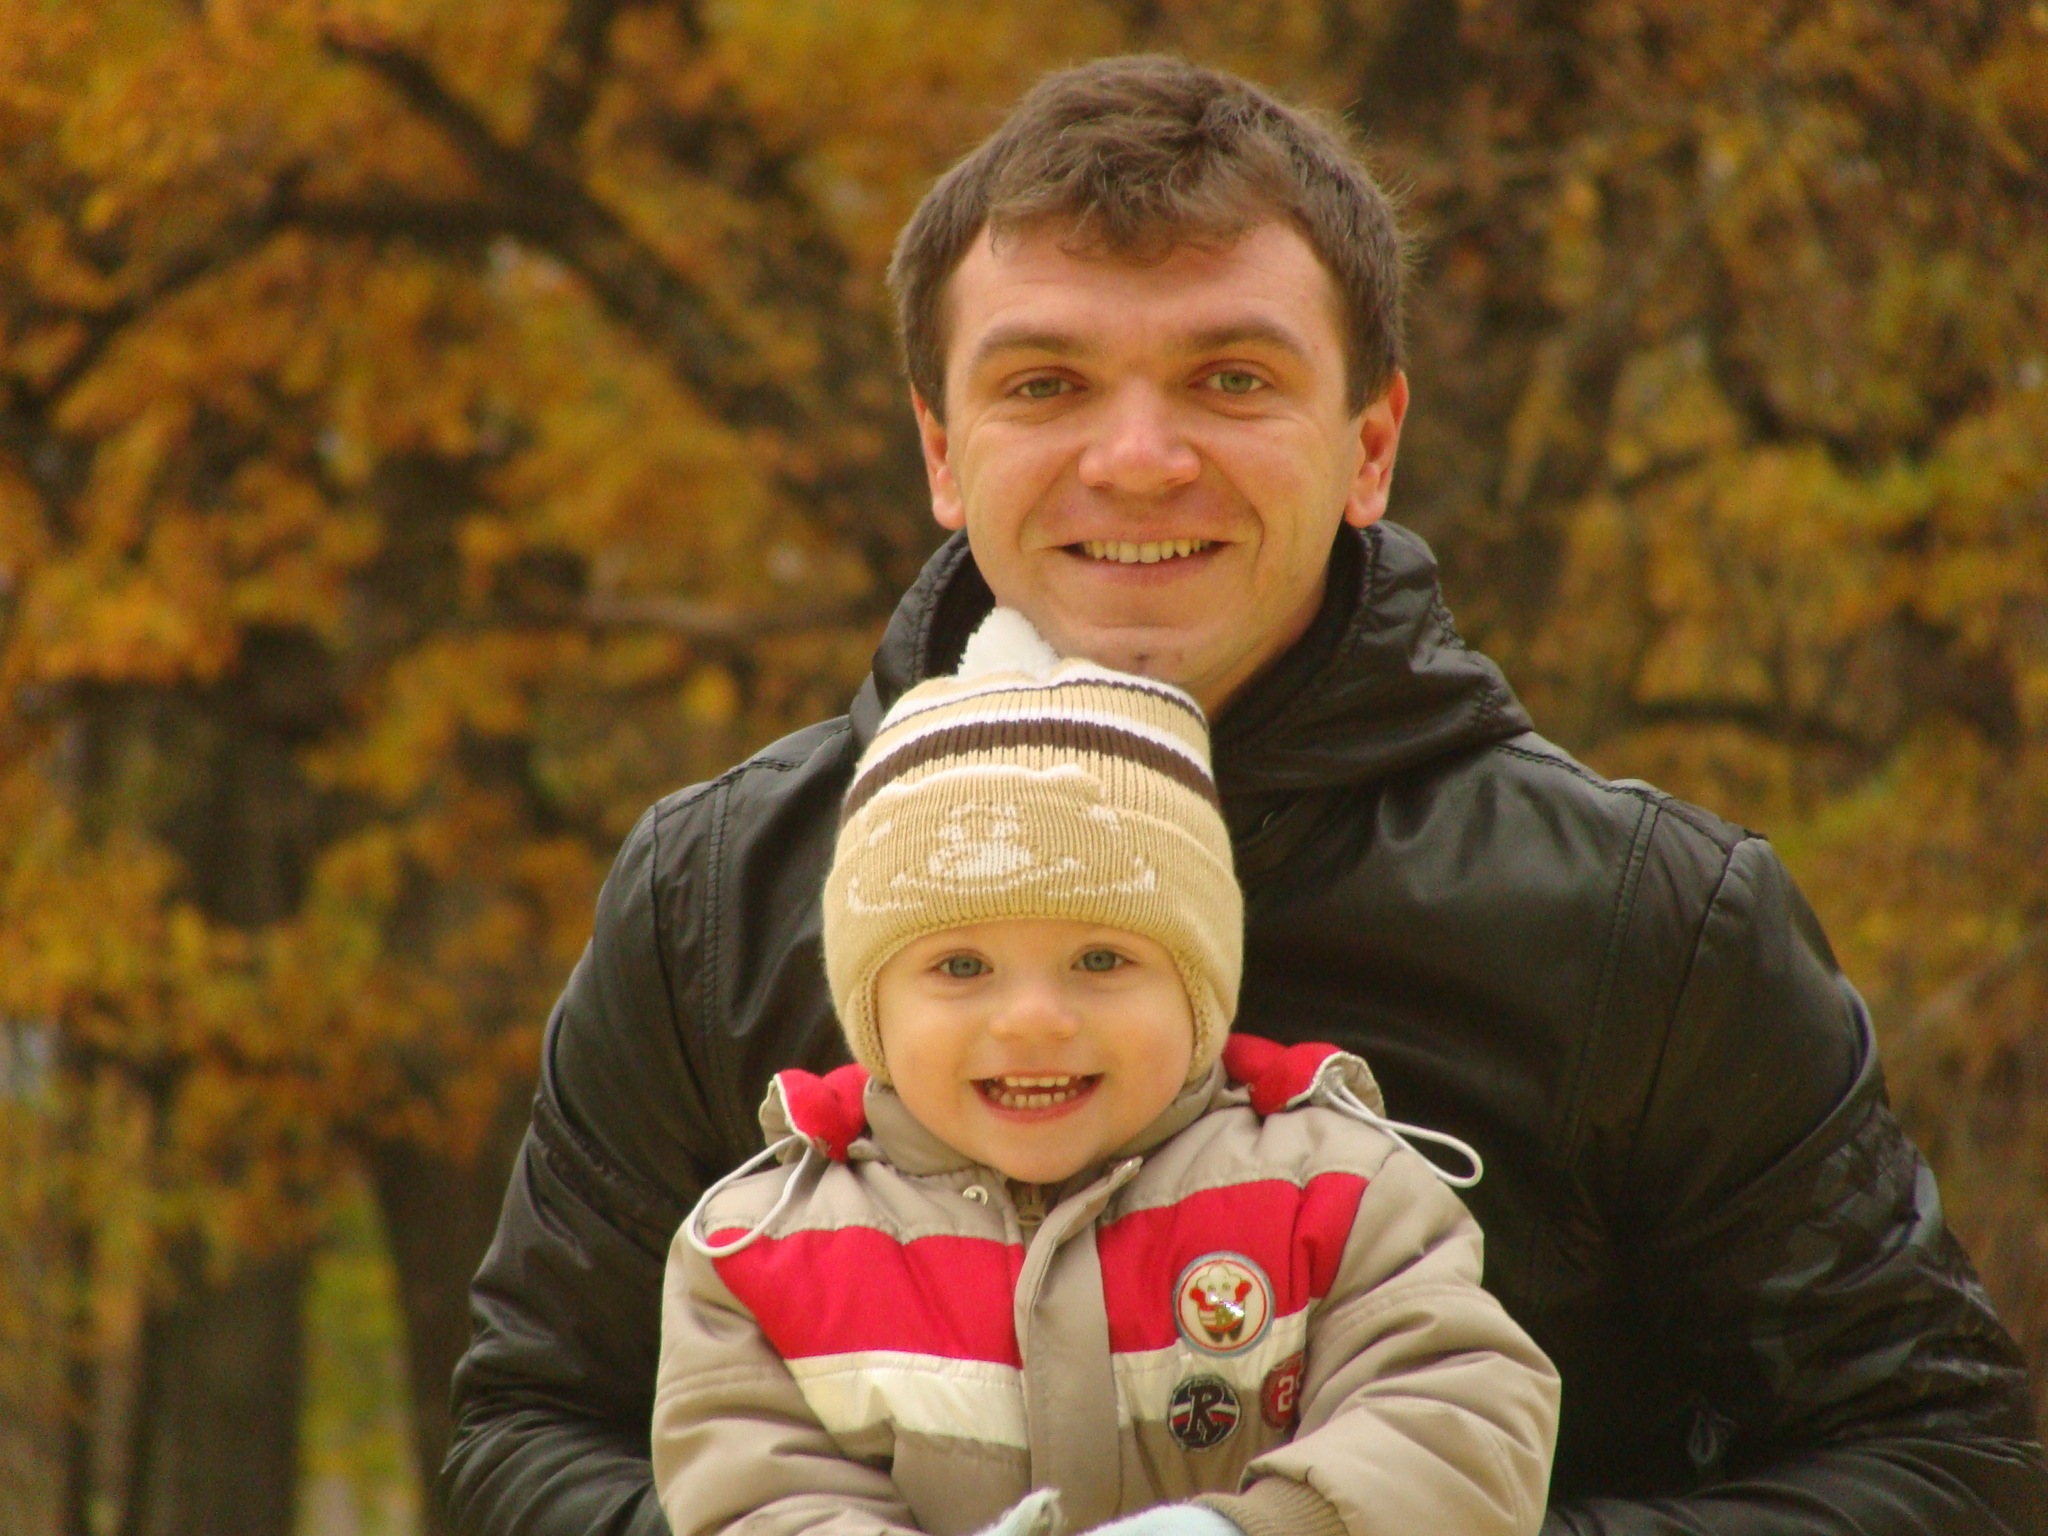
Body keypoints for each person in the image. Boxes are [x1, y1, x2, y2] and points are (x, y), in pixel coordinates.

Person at [442, 54, 2048, 1536]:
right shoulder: (718, 899)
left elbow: (1943, 1461)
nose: (1140, 459)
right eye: (1045, 385)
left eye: (1230, 378)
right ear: (939, 446)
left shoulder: (1646, 924)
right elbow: (529, 1434)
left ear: (1371, 442)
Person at [649, 610, 1560, 1536]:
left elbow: (1458, 1419)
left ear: (1199, 989)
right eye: (961, 966)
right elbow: (756, 1503)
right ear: (871, 1009)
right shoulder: (767, 1253)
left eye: (1100, 960)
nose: (1033, 1019)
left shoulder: (1334, 1196)